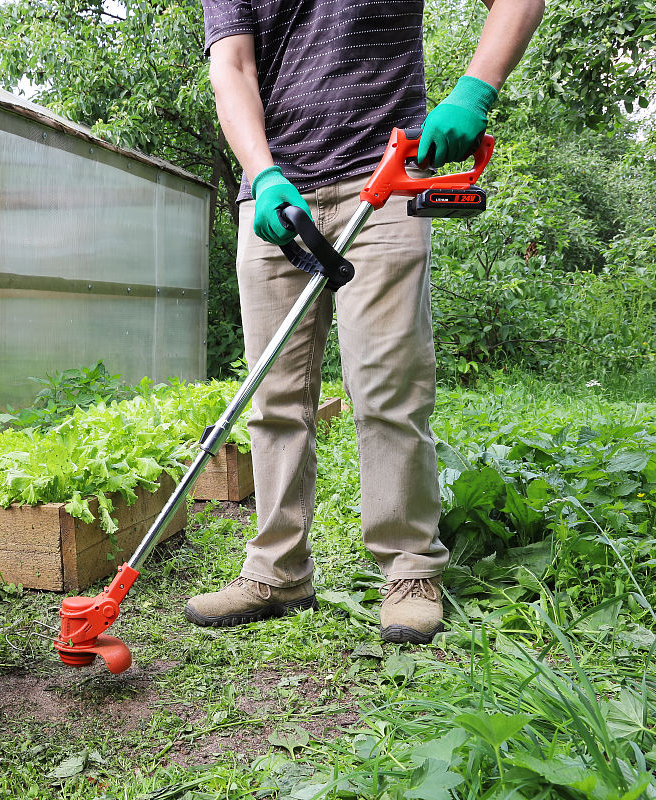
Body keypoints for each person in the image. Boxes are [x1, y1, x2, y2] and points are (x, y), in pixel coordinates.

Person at [186, 0, 545, 643]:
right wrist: (263, 175)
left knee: (387, 385)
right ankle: (277, 570)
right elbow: (233, 68)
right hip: (274, 193)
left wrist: (474, 91)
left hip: (385, 176)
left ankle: (409, 568)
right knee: (274, 394)